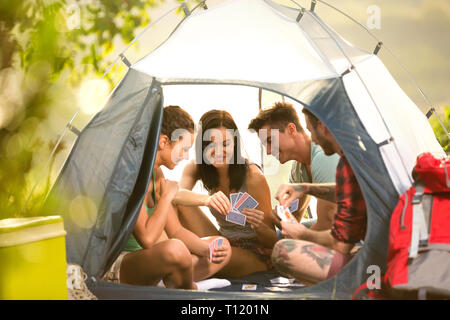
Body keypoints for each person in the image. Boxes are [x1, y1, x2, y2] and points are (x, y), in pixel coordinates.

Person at [104, 106, 231, 289]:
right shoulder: (131, 176)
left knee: (221, 246)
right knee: (175, 249)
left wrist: (208, 250)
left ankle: (174, 280)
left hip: (153, 264)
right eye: (184, 148)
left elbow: (176, 231)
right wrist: (165, 198)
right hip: (122, 265)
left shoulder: (157, 173)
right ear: (164, 142)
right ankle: (188, 286)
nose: (187, 156)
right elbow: (147, 239)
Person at [176, 109, 277, 278]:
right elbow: (174, 194)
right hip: (223, 240)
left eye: (225, 144)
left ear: (235, 144)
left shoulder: (253, 177)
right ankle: (178, 259)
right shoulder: (196, 168)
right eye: (210, 144)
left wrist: (259, 227)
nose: (218, 151)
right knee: (180, 203)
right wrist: (207, 200)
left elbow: (271, 241)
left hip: (254, 252)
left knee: (216, 252)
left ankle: (176, 274)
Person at [270, 108, 367, 284]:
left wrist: (303, 234)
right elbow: (351, 191)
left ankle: (356, 286)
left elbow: (340, 244)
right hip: (387, 247)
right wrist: (305, 188)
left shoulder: (338, 162)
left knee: (283, 251)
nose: (312, 139)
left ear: (323, 127)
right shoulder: (359, 152)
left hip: (383, 261)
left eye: (310, 130)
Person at [248, 101, 339, 230]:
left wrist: (290, 237)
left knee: (284, 243)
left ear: (291, 129)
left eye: (270, 141)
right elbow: (294, 216)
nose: (268, 151)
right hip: (336, 229)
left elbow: (328, 224)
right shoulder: (298, 169)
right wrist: (281, 218)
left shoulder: (323, 157)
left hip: (358, 235)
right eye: (265, 145)